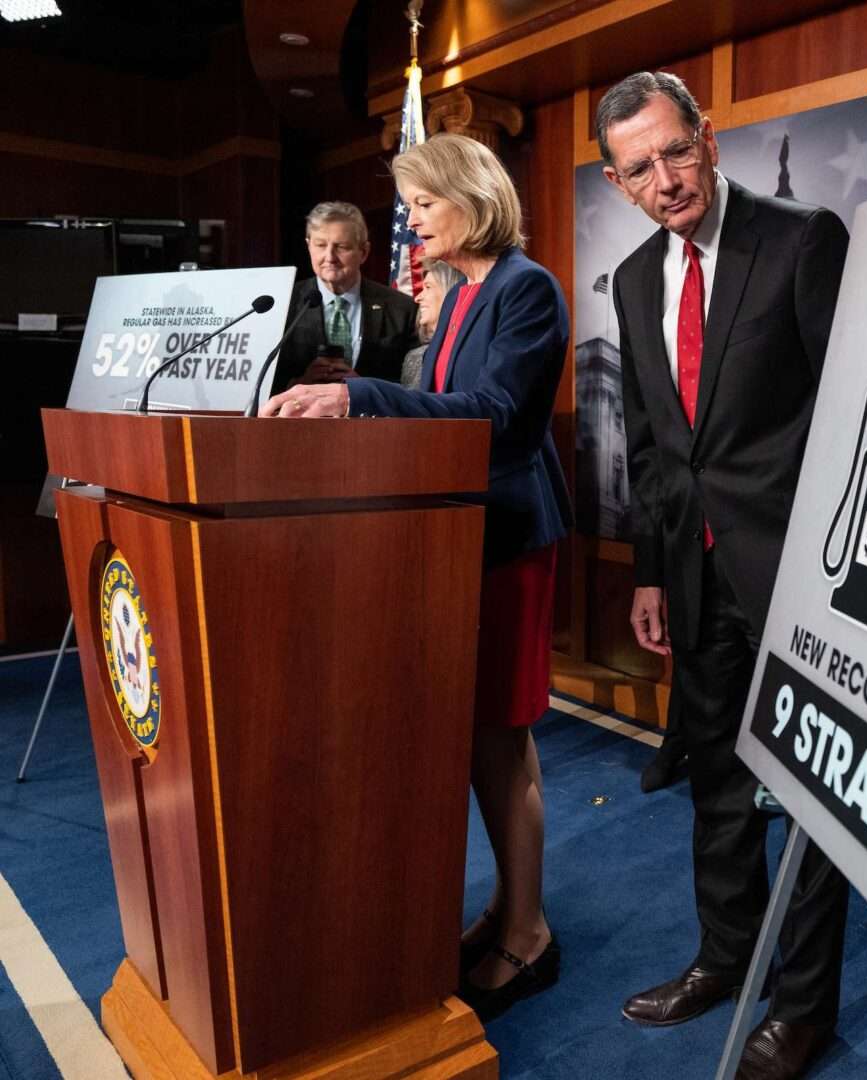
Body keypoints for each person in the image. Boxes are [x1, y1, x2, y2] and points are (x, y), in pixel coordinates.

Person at [263, 134, 570, 1022]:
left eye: (424, 205)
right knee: (485, 738)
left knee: (499, 740)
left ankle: (530, 936)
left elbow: (495, 420)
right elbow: (435, 412)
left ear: (469, 197)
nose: (414, 221)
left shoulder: (525, 287)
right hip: (461, 538)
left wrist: (357, 396)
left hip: (510, 536)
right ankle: (512, 910)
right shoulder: (464, 291)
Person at [599, 71, 851, 1080]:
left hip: (798, 574)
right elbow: (659, 449)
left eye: (675, 151)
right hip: (697, 581)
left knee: (806, 800)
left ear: (707, 137)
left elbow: (851, 405)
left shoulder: (800, 239)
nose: (666, 180)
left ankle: (803, 1007)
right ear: (620, 184)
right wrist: (652, 574)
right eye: (639, 168)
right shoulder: (629, 282)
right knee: (719, 781)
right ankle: (725, 954)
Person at [270, 200, 419, 394]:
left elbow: (414, 386)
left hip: (371, 421)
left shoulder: (401, 309)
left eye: (341, 247)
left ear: (364, 252)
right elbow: (260, 382)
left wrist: (364, 387)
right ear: (309, 247)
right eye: (320, 245)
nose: (329, 256)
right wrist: (298, 383)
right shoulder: (283, 305)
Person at [400, 257, 465, 388]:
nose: (418, 298)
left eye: (428, 287)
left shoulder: (469, 353)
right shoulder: (416, 358)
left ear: (450, 291)